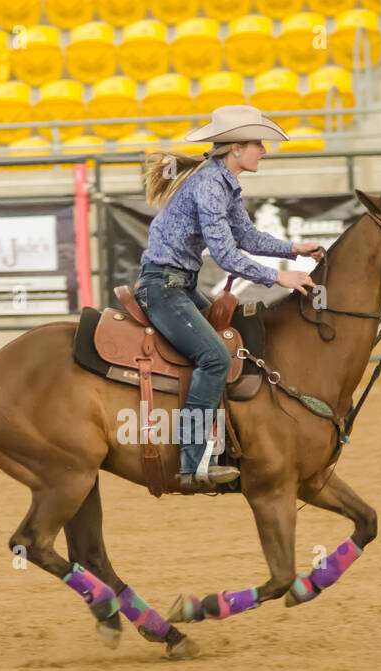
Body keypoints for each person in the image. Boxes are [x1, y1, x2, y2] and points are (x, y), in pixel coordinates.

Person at [136, 104, 323, 493]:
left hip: (178, 284)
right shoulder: (210, 186)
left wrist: (293, 249)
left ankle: (229, 443)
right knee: (215, 358)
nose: (264, 151)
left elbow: (247, 237)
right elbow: (225, 254)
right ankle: (191, 464)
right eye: (258, 144)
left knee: (230, 345)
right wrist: (279, 276)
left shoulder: (223, 183)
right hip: (164, 286)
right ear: (235, 148)